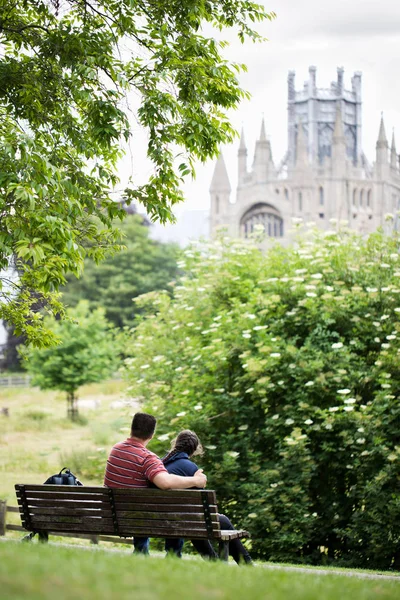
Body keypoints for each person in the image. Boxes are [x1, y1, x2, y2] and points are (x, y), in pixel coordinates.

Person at [104, 413, 207, 554]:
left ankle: (140, 552)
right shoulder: (147, 458)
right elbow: (165, 483)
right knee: (173, 507)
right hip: (137, 518)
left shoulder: (116, 449)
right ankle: (169, 554)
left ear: (131, 430)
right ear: (151, 435)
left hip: (113, 515)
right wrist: (196, 480)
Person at [162, 430, 253, 565]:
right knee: (220, 521)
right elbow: (200, 503)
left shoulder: (161, 464)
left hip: (163, 519)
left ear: (176, 444)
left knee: (196, 522)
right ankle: (246, 564)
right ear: (194, 450)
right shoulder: (190, 467)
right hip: (182, 520)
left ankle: (213, 561)